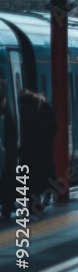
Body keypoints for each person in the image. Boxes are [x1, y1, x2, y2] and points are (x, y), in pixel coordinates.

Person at [18, 89, 56, 210]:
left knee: (31, 179)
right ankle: (41, 200)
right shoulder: (44, 109)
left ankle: (34, 203)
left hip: (31, 152)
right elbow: (53, 130)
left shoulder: (26, 110)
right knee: (42, 177)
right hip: (42, 152)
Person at [0, 84, 16, 220]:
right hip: (7, 158)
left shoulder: (5, 117)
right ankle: (7, 206)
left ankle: (7, 206)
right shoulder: (7, 117)